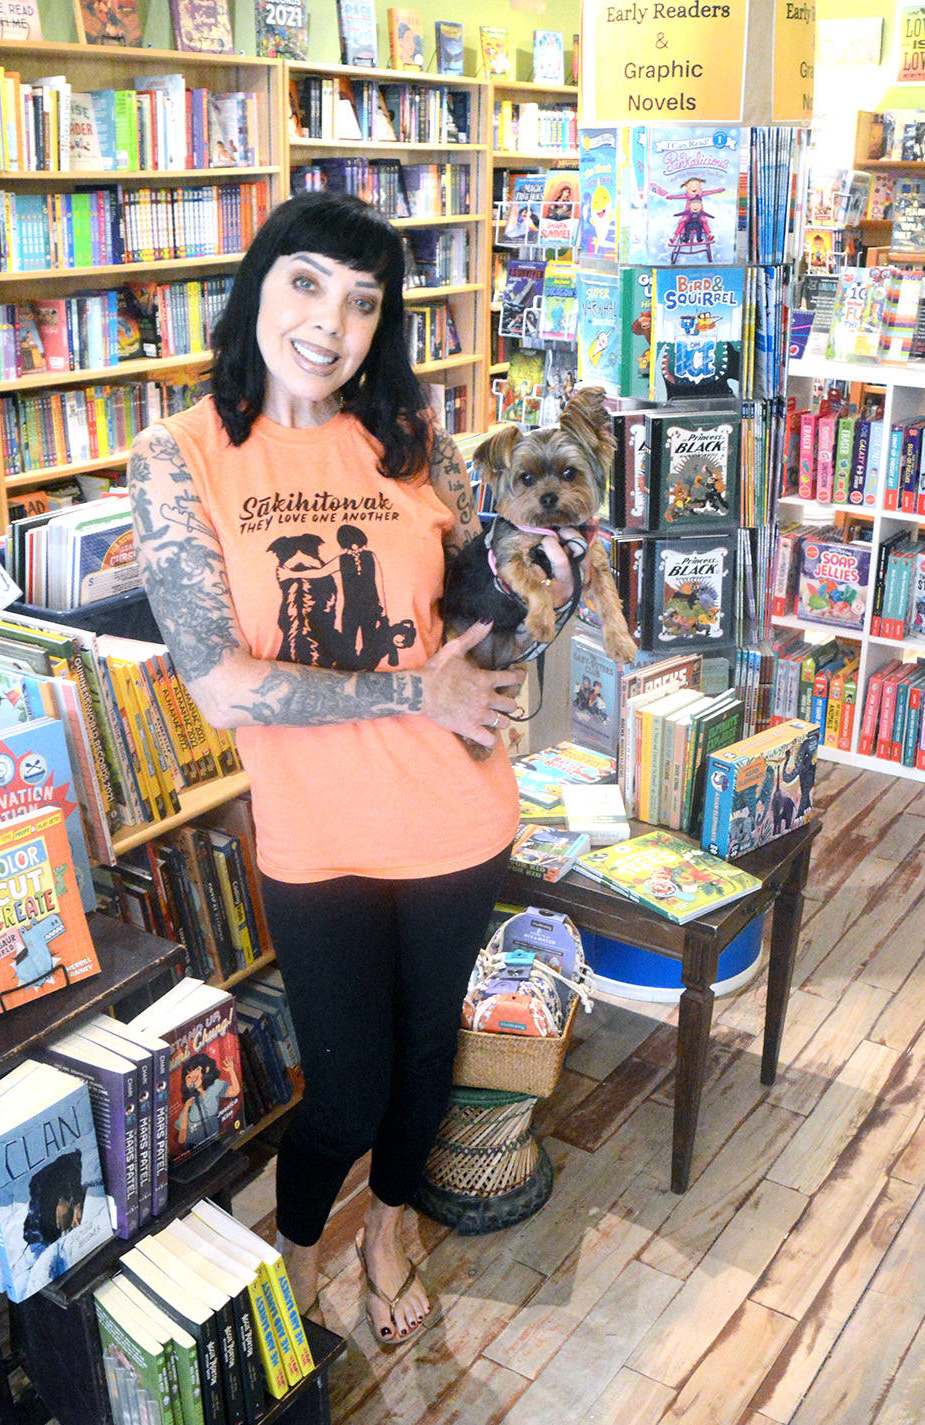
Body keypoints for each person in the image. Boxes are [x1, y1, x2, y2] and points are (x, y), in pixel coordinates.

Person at [129, 191, 575, 1346]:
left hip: (458, 814)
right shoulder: (181, 455)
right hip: (319, 837)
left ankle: (387, 1228)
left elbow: (478, 617)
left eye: (365, 300)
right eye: (310, 284)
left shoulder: (409, 441)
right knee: (344, 1087)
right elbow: (218, 683)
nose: (333, 322)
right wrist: (411, 692)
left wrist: (537, 616)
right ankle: (295, 1249)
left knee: (429, 1057)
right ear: (259, 289)